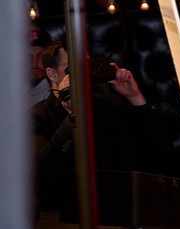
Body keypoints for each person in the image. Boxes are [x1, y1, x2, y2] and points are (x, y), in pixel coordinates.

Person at [32, 41, 172, 216]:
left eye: (85, 67)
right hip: (60, 214)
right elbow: (40, 174)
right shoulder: (37, 116)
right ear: (52, 74)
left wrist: (136, 98)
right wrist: (73, 115)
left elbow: (160, 152)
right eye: (73, 69)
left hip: (114, 210)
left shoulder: (108, 105)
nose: (82, 74)